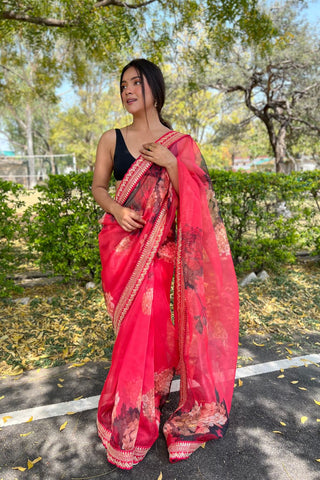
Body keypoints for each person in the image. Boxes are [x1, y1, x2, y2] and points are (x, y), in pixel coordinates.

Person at [92, 58, 239, 470]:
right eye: (123, 85)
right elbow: (99, 188)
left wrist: (172, 164)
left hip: (160, 254)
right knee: (134, 333)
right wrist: (117, 212)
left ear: (154, 88)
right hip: (125, 249)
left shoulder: (179, 144)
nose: (127, 90)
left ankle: (139, 411)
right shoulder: (112, 138)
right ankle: (134, 411)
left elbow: (198, 197)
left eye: (135, 82)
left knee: (151, 327)